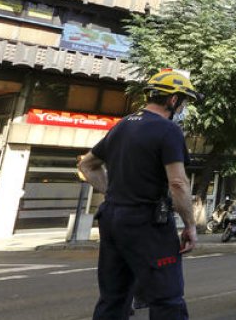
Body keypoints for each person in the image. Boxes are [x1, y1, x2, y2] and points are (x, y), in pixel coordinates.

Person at [78, 69, 201, 320]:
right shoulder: (168, 131)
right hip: (146, 221)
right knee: (167, 297)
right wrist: (190, 225)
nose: (183, 107)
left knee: (114, 297)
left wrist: (115, 191)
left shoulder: (121, 126)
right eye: (184, 101)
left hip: (112, 217)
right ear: (173, 100)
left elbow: (86, 165)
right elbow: (178, 183)